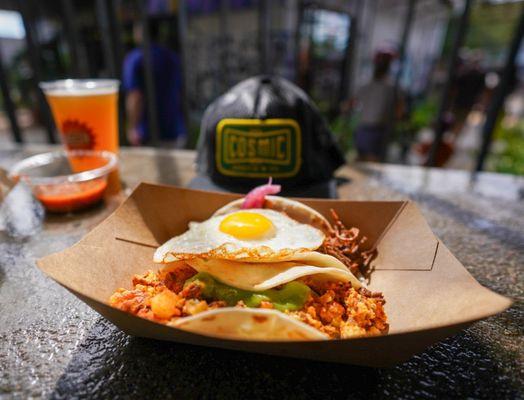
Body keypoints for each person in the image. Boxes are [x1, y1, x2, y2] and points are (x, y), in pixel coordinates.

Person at [123, 22, 186, 147]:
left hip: (147, 133)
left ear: (140, 32)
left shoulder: (136, 58)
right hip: (175, 129)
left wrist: (132, 128)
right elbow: (180, 91)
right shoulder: (171, 56)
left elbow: (135, 96)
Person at [353, 49, 402, 161]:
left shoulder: (366, 84)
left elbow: (350, 104)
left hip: (367, 129)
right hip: (375, 130)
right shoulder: (392, 87)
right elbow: (399, 112)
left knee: (365, 164)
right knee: (371, 164)